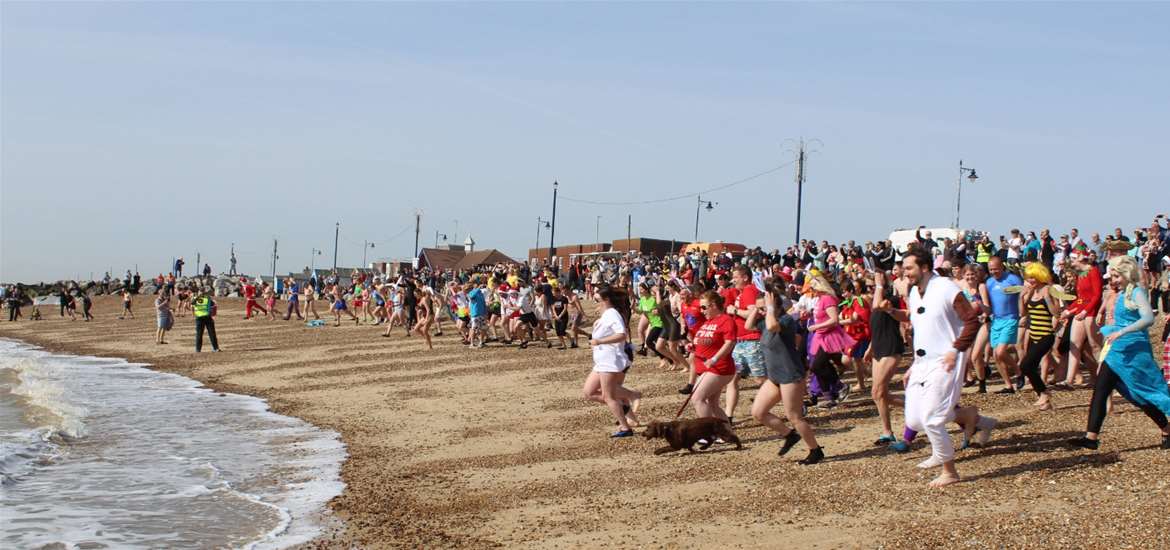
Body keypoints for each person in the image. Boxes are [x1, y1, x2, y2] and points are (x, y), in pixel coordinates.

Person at [883, 248, 992, 488]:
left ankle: (949, 470)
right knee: (914, 420)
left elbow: (971, 321)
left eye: (909, 267)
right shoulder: (914, 291)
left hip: (946, 359)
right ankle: (977, 420)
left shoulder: (945, 287)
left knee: (932, 419)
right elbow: (917, 321)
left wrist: (956, 350)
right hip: (922, 362)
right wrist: (892, 312)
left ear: (924, 268)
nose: (904, 271)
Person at [1069, 256, 1170, 450]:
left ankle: (1166, 427)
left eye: (1116, 276)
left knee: (1139, 394)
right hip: (1116, 350)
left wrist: (1122, 331)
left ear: (1126, 274)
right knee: (1101, 388)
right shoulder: (1121, 294)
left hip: (1134, 350)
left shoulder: (1137, 292)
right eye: (1111, 276)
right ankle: (1091, 437)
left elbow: (1148, 318)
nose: (1112, 280)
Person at [751, 280, 823, 464]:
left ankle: (815, 450)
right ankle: (789, 436)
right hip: (775, 376)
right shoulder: (765, 319)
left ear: (775, 307)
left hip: (790, 375)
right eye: (760, 308)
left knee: (794, 416)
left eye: (763, 308)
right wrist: (756, 310)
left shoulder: (785, 320)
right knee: (758, 412)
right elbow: (748, 326)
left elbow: (772, 327)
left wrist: (768, 309)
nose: (761, 311)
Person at [582, 285, 641, 437]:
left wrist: (600, 341)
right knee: (589, 392)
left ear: (606, 299)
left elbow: (622, 334)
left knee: (609, 396)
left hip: (610, 360)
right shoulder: (607, 313)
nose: (595, 302)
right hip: (601, 361)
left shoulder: (613, 313)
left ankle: (625, 427)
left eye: (597, 300)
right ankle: (629, 399)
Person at [690, 290, 740, 425]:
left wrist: (714, 359)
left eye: (704, 307)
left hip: (719, 368)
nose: (701, 310)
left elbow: (730, 342)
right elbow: (706, 340)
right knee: (712, 403)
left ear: (713, 305)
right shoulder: (709, 321)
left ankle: (708, 432)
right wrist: (693, 345)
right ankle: (727, 433)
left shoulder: (726, 320)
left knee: (697, 398)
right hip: (708, 368)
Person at [870, 270, 907, 447]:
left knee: (878, 391)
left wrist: (879, 284)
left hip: (891, 347)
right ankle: (889, 430)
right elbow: (876, 326)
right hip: (878, 348)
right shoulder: (874, 298)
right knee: (878, 393)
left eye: (875, 283)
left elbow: (878, 305)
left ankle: (888, 432)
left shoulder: (890, 300)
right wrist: (870, 348)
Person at [1057, 251, 1104, 387]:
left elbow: (1097, 295)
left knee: (1095, 346)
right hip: (1082, 312)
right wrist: (1069, 311)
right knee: (1074, 344)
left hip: (1091, 313)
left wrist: (1085, 311)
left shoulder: (1093, 271)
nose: (1071, 262)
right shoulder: (1080, 275)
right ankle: (1069, 380)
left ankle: (1104, 376)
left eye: (1073, 259)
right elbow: (1080, 299)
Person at [725, 266, 765, 422]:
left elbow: (753, 313)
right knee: (733, 378)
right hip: (740, 342)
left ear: (745, 277)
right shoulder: (743, 292)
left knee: (761, 379)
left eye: (736, 277)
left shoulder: (749, 290)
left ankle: (793, 402)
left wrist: (734, 311)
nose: (733, 280)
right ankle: (728, 416)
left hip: (752, 341)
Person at [1017, 262, 1060, 411]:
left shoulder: (1049, 289)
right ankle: (1044, 399)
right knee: (1030, 367)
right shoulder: (1031, 292)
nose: (1031, 281)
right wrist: (1021, 298)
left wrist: (1047, 298)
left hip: (1046, 334)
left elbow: (1056, 313)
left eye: (1033, 277)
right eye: (1029, 278)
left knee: (1025, 365)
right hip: (1033, 333)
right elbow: (1022, 313)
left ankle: (1044, 393)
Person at [985, 257, 1024, 392]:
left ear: (1002, 267)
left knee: (1001, 352)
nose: (993, 272)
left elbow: (1022, 296)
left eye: (995, 269)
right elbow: (989, 302)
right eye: (990, 269)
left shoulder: (1013, 279)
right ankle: (1008, 385)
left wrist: (1023, 314)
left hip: (1011, 318)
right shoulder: (989, 282)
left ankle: (1019, 371)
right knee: (996, 355)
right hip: (996, 320)